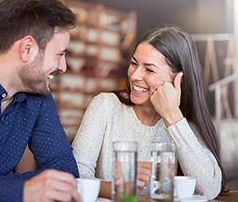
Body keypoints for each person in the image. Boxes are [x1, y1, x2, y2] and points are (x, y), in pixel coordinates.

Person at [72, 25, 225, 200]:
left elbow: (210, 188)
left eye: (149, 69)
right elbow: (75, 174)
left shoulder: (185, 124)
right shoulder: (105, 106)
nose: (135, 75)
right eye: (134, 63)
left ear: (177, 80)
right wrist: (120, 188)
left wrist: (172, 117)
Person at [0, 0, 81, 202]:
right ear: (27, 49)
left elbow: (65, 172)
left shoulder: (38, 96)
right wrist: (21, 190)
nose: (63, 67)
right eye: (60, 54)